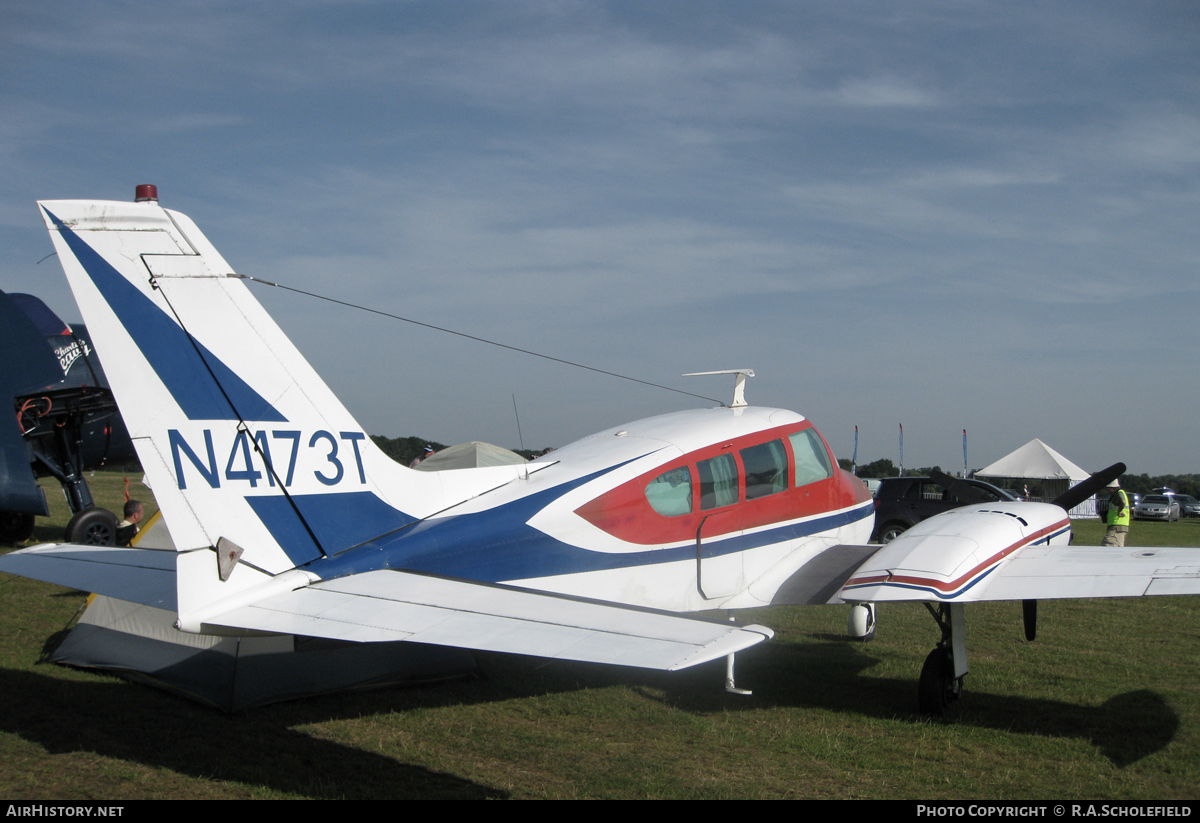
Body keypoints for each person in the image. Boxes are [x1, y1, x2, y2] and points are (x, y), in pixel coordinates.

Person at [1102, 479, 1131, 547]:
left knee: (1109, 544)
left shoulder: (1118, 493)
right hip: (1119, 525)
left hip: (1117, 525)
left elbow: (1122, 501)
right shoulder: (1119, 493)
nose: (1107, 491)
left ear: (1112, 488)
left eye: (1108, 489)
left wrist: (1119, 511)